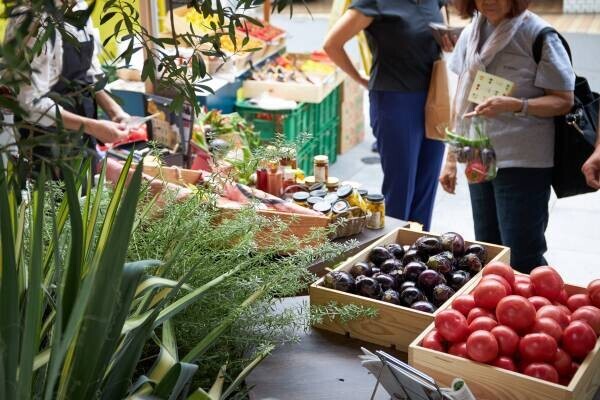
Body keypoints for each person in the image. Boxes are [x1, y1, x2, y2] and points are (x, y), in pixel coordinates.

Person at [439, 0, 575, 272]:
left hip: (523, 161)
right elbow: (462, 98)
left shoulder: (537, 34)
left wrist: (517, 105)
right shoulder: (471, 33)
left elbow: (564, 100)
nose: (489, 0)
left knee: (523, 253)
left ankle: (534, 308)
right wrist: (451, 159)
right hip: (477, 154)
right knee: (486, 251)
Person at [323, 0, 454, 231]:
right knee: (401, 188)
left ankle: (421, 251)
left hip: (434, 96)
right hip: (395, 100)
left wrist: (448, 42)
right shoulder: (375, 2)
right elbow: (332, 44)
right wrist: (362, 80)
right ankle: (392, 254)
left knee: (427, 184)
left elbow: (439, 36)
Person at [5, 0, 130, 175]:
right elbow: (31, 103)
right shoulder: (32, 20)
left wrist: (115, 111)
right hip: (46, 142)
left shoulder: (80, 7)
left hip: (83, 135)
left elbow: (90, 73)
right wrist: (93, 127)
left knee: (86, 196)